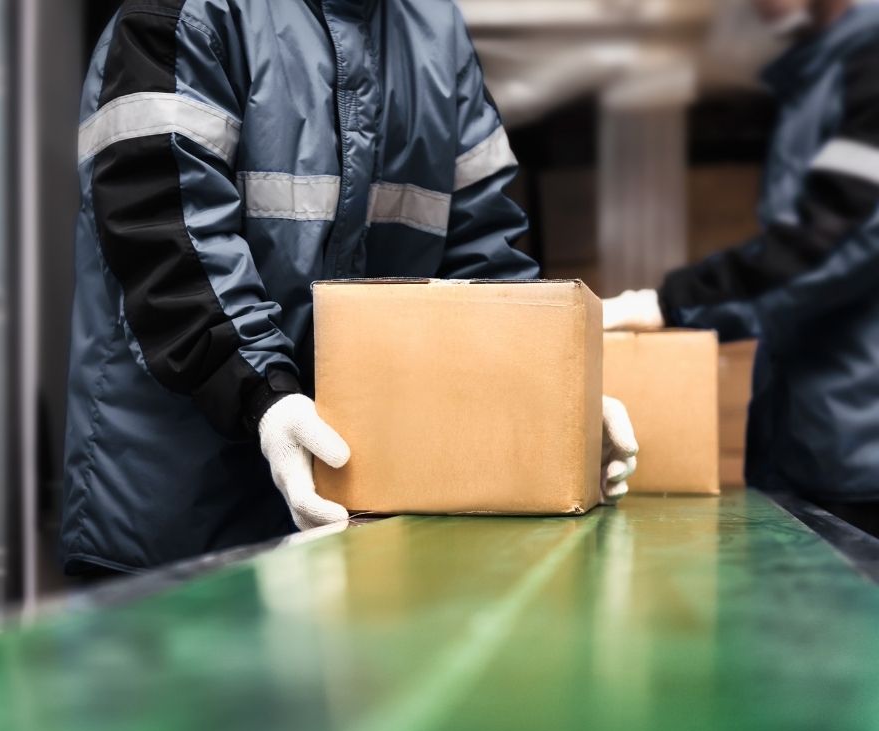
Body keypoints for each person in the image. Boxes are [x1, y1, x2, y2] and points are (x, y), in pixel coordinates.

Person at [64, 0, 638, 576]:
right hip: (174, 524)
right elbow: (165, 228)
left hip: (353, 528)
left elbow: (481, 251)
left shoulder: (434, 32)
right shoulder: (191, 12)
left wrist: (552, 391)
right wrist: (263, 395)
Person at [604, 0, 879, 525]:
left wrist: (668, 303)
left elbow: (834, 241)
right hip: (808, 443)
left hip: (861, 458)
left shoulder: (870, 62)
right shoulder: (817, 74)